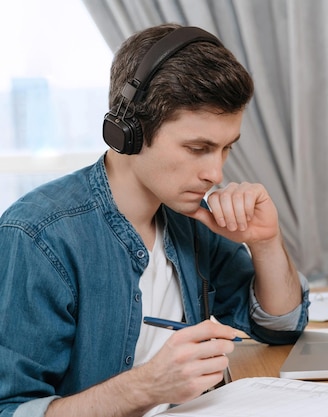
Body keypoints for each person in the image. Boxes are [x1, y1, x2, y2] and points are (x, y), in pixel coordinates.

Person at [0, 24, 309, 417]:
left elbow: (279, 327)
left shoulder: (190, 218)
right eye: (198, 148)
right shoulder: (37, 237)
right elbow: (11, 410)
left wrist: (265, 241)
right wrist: (145, 386)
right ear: (128, 131)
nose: (215, 173)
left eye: (226, 148)